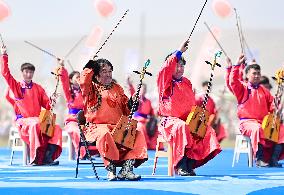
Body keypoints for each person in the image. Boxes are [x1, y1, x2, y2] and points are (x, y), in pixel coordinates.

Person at [157, 40, 221, 176]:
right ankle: (180, 164)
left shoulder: (187, 82)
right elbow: (166, 68)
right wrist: (178, 51)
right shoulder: (165, 82)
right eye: (176, 65)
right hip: (170, 122)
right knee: (182, 127)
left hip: (186, 121)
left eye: (182, 66)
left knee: (206, 130)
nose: (179, 68)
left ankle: (190, 163)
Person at [79, 58, 148, 181]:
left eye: (110, 71)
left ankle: (126, 169)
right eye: (104, 71)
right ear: (96, 74)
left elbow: (126, 109)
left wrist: (132, 103)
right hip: (97, 127)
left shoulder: (117, 87)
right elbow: (84, 81)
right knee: (105, 133)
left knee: (137, 134)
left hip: (117, 127)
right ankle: (111, 169)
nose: (108, 74)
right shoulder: (90, 89)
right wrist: (90, 66)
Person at [0, 46, 62, 166]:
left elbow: (47, 105)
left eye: (31, 72)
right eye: (26, 72)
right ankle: (35, 158)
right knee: (35, 124)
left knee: (57, 128)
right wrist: (4, 56)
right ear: (22, 73)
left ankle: (47, 158)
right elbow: (5, 73)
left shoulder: (38, 88)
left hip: (38, 121)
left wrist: (52, 100)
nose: (29, 74)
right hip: (24, 123)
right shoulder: (17, 87)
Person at [229, 54, 284, 167]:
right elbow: (232, 81)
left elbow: (273, 107)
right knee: (257, 129)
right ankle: (259, 159)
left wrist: (277, 106)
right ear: (247, 75)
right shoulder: (242, 88)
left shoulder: (264, 90)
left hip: (263, 123)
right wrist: (237, 65)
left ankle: (273, 159)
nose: (257, 75)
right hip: (247, 123)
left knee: (282, 129)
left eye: (258, 73)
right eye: (254, 73)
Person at [57, 61, 88, 159]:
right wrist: (62, 67)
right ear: (71, 80)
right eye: (77, 77)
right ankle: (83, 154)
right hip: (72, 121)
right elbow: (64, 81)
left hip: (85, 120)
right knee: (77, 130)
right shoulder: (69, 93)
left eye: (80, 77)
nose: (79, 79)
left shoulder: (85, 91)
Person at [127, 77, 160, 150]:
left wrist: (157, 112)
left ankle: (153, 146)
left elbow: (152, 113)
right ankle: (143, 145)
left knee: (156, 128)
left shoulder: (148, 101)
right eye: (142, 89)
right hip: (137, 120)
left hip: (146, 121)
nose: (143, 91)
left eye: (145, 89)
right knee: (140, 127)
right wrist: (130, 84)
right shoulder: (136, 99)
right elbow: (132, 92)